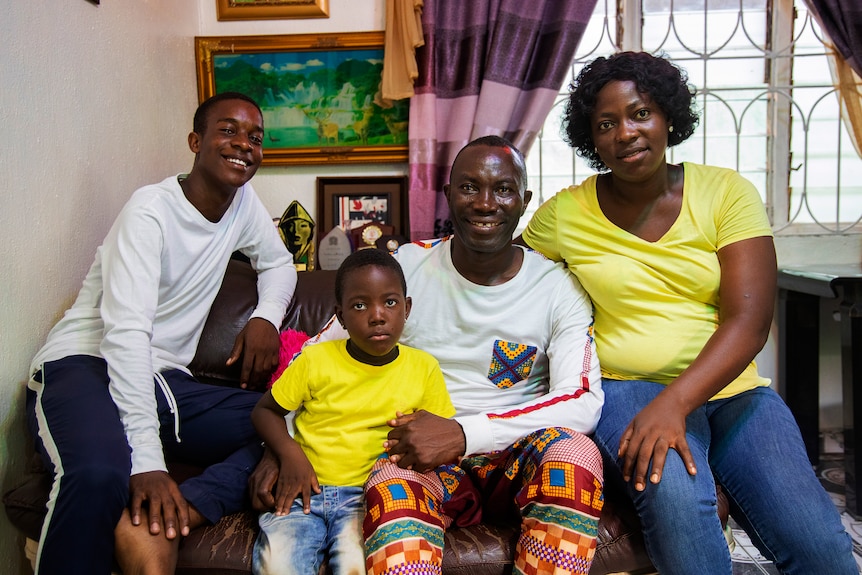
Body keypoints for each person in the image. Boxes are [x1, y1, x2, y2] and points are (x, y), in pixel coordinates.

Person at [520, 51, 857, 575]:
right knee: (678, 503)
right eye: (606, 124)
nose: (626, 133)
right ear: (591, 138)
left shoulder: (725, 193)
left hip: (733, 391)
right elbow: (502, 272)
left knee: (821, 550)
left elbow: (748, 323)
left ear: (668, 117)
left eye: (639, 113)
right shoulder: (565, 213)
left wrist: (675, 403)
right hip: (626, 385)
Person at [251, 135, 606, 575]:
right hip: (418, 460)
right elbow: (318, 355)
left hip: (513, 456)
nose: (485, 203)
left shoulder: (557, 287)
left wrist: (463, 432)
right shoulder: (407, 268)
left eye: (503, 188)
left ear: (524, 200)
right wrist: (280, 447)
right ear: (448, 195)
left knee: (577, 456)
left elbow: (582, 401)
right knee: (388, 481)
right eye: (469, 187)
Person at [26, 91, 297, 575]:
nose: (243, 144)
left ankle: (183, 508)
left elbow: (277, 262)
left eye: (254, 137)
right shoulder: (149, 211)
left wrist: (265, 319)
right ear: (196, 141)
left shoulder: (243, 204)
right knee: (97, 476)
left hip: (165, 382)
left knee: (293, 419)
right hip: (86, 364)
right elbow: (125, 337)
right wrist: (147, 464)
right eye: (228, 130)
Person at [251, 248, 455, 575]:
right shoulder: (316, 360)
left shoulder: (424, 368)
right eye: (360, 305)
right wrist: (289, 455)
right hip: (303, 492)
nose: (377, 315)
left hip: (367, 500)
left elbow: (436, 438)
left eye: (390, 302)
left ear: (407, 309)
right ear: (341, 316)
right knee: (279, 565)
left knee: (356, 566)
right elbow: (264, 411)